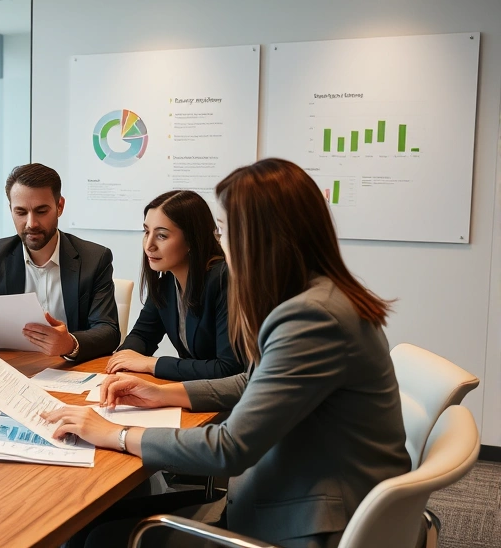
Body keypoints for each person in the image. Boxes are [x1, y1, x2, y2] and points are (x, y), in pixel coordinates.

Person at [42, 159, 410, 548]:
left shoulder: (311, 317)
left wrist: (115, 433)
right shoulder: (319, 298)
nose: (225, 242)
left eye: (231, 230)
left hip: (310, 523)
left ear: (266, 237)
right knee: (99, 529)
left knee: (103, 537)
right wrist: (163, 393)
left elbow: (229, 450)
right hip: (295, 494)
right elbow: (253, 380)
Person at [0, 163, 120, 362]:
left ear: (60, 206)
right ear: (11, 209)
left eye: (41, 211)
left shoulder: (94, 258)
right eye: (21, 212)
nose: (31, 223)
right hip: (12, 371)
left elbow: (108, 330)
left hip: (70, 371)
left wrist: (70, 343)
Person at [106, 190, 242, 381]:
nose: (149, 245)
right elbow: (142, 336)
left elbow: (228, 369)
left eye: (161, 235)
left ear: (191, 240)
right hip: (192, 394)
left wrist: (150, 363)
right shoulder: (166, 284)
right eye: (147, 232)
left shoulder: (223, 280)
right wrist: (124, 359)